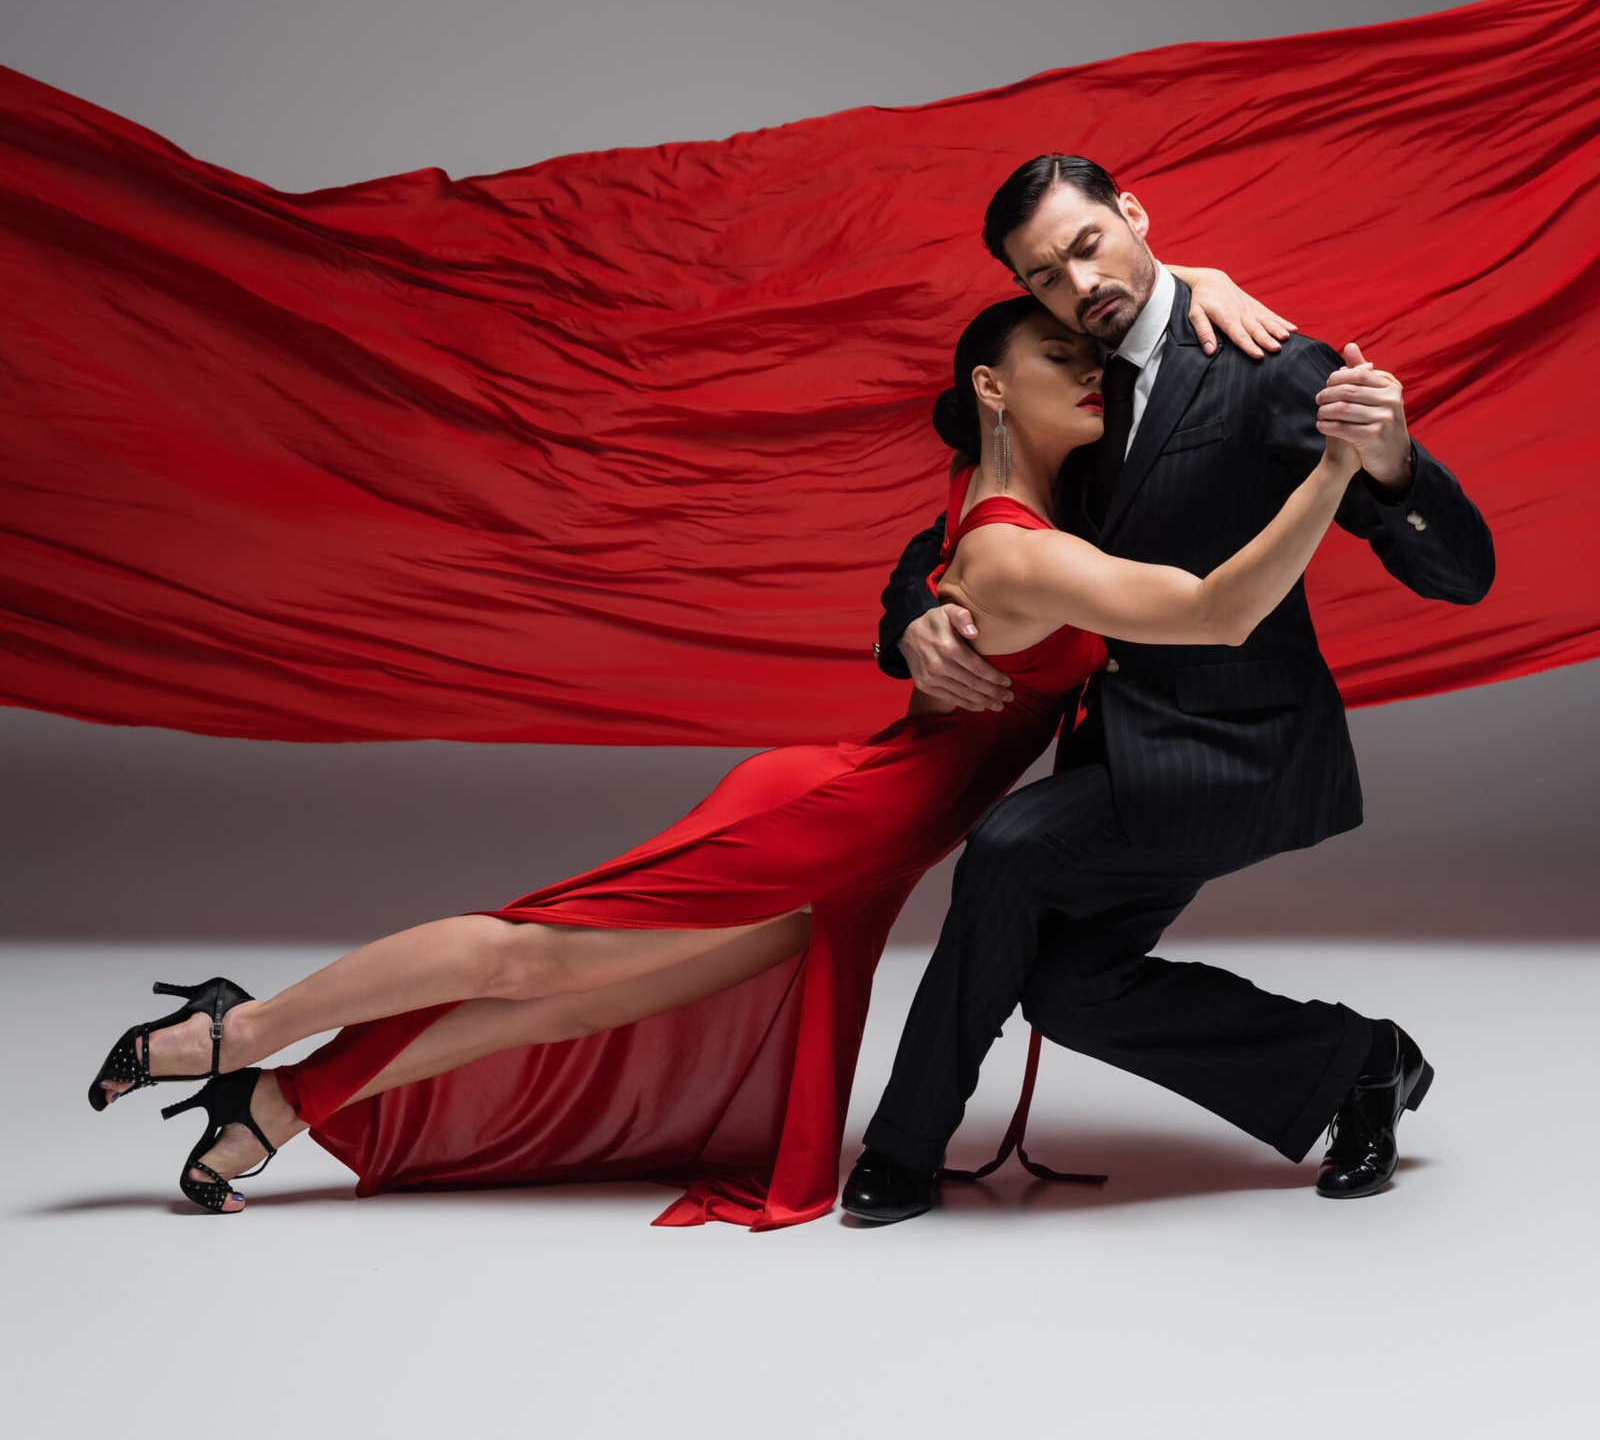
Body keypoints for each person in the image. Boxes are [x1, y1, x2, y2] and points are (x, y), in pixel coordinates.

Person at [86, 267, 1363, 1229]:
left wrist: (1210, 284)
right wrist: (1333, 468)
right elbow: (1212, 612)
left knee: (586, 995)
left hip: (879, 835)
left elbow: (1119, 323)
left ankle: (280, 1112)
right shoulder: (1021, 547)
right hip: (842, 810)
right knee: (536, 952)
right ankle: (239, 1029)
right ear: (989, 387)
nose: (1089, 369)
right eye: (1052, 355)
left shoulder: (1000, 509)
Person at [843, 153, 1495, 1223]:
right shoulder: (1068, 378)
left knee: (1008, 850)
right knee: (1068, 987)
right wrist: (912, 617)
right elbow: (961, 520)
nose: (1078, 283)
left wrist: (1390, 462)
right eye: (1044, 276)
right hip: (1120, 752)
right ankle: (1357, 1063)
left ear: (1132, 213)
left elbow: (1461, 577)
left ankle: (904, 1148)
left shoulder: (1267, 366)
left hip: (1242, 748)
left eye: (1090, 244)